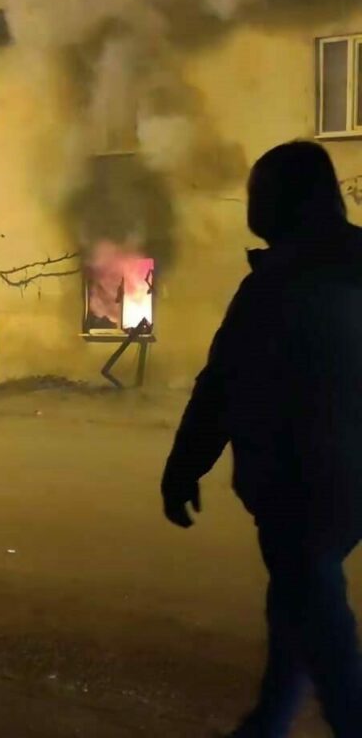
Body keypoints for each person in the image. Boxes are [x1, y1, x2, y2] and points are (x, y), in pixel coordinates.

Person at [161, 141, 362, 738]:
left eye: (259, 193)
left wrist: (183, 468)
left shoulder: (276, 286)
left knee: (325, 636)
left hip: (297, 486)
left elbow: (221, 385)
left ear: (284, 202)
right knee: (297, 612)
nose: (251, 206)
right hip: (341, 487)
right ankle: (264, 725)